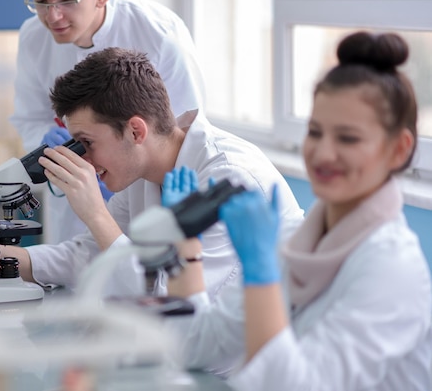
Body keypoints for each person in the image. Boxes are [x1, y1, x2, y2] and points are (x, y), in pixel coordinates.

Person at [165, 31, 432, 389]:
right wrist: (185, 246)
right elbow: (195, 346)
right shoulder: (295, 239)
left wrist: (261, 274)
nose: (322, 153)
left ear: (399, 149)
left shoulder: (391, 268)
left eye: (348, 138)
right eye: (315, 132)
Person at [0, 47, 304, 301]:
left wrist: (96, 214)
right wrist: (11, 259)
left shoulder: (229, 180)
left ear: (135, 130)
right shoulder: (141, 172)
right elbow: (95, 255)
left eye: (86, 142)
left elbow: (170, 295)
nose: (82, 156)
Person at [9, 0, 205, 244]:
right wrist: (52, 146)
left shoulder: (159, 31)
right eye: (40, 2)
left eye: (67, 0)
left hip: (150, 200)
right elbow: (29, 117)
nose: (52, 17)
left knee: (147, 275)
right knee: (78, 264)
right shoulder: (33, 37)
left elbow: (181, 132)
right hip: (72, 213)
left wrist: (123, 174)